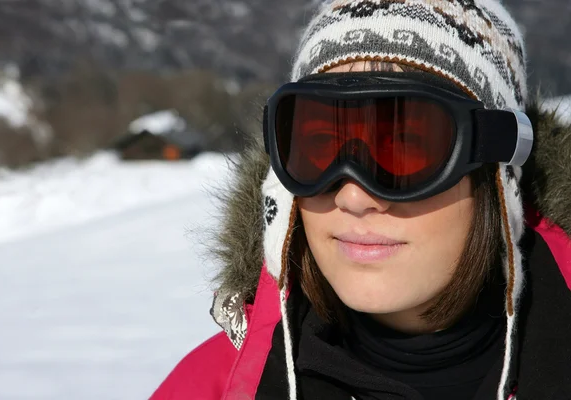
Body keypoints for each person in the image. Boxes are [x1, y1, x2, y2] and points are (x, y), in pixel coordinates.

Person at [151, 1, 571, 399]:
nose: (353, 196)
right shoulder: (213, 386)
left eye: (407, 146)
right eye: (318, 146)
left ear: (499, 175)